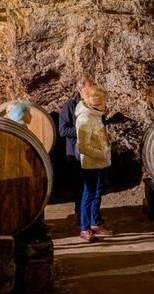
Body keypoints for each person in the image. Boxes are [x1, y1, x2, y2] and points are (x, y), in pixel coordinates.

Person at [75, 85, 114, 241]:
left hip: (101, 163)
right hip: (92, 164)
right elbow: (83, 146)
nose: (106, 102)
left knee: (97, 194)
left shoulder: (95, 115)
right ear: (96, 102)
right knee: (88, 195)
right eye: (104, 100)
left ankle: (95, 223)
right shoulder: (85, 118)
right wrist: (101, 154)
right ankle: (84, 228)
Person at [59, 78, 93, 224]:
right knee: (79, 185)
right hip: (74, 153)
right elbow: (63, 130)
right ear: (80, 90)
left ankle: (91, 215)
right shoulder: (69, 106)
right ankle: (79, 214)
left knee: (91, 185)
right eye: (89, 88)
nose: (92, 91)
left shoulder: (93, 105)